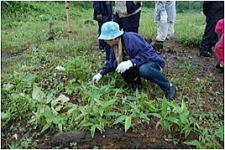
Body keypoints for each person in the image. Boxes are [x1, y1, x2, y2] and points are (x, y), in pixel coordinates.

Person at [92, 21, 176, 100]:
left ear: (113, 38)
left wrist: (131, 62)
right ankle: (135, 83)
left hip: (151, 62)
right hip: (137, 63)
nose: (105, 41)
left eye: (106, 39)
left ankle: (168, 87)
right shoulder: (115, 46)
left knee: (144, 70)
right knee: (115, 64)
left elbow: (148, 53)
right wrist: (100, 74)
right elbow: (111, 63)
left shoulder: (131, 38)